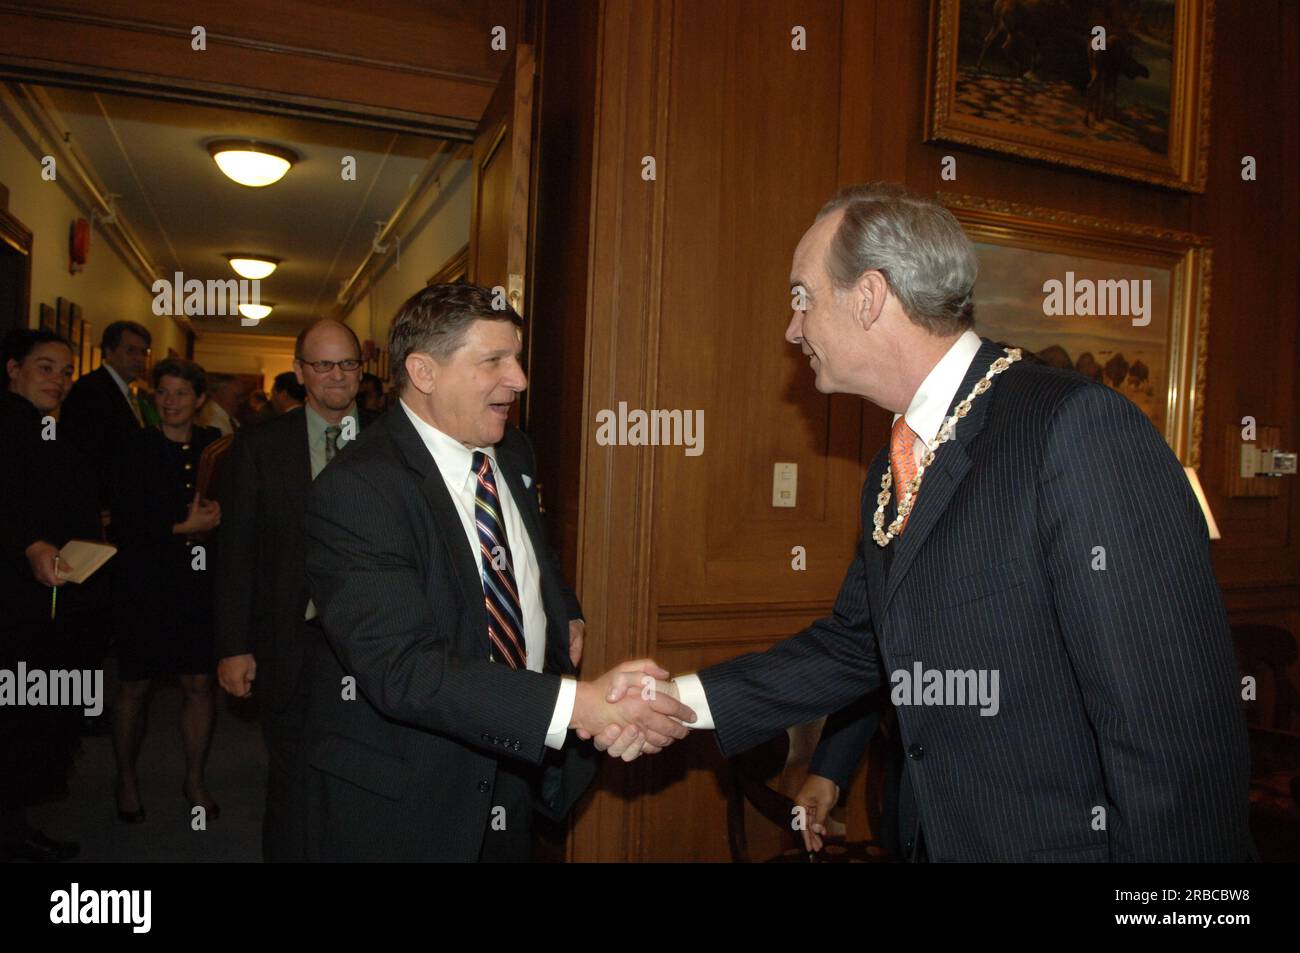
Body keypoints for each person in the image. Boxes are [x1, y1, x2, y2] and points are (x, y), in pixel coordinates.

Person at [594, 183, 1254, 863]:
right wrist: (675, 698)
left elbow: (1176, 737)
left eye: (801, 297)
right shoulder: (894, 463)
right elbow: (858, 646)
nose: (792, 328)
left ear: (869, 296)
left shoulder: (1074, 429)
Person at [301, 283, 696, 861]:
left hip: (516, 762)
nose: (519, 379)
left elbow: (530, 552)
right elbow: (404, 670)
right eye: (493, 361)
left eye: (516, 357)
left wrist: (565, 610)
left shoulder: (513, 452)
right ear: (424, 372)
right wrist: (576, 705)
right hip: (414, 794)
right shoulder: (357, 490)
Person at [214, 320, 377, 861]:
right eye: (324, 365)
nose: (337, 376)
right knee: (293, 781)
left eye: (348, 364)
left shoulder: (394, 440)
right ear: (301, 370)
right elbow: (236, 553)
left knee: (367, 779)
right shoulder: (260, 446)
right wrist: (233, 646)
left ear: (362, 368)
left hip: (377, 644)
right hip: (292, 641)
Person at [0, 329, 108, 862]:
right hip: (12, 601)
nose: (59, 380)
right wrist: (31, 543)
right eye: (45, 368)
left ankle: (13, 824)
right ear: (13, 369)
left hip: (43, 600)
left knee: (25, 718)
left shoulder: (47, 429)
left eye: (65, 372)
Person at [109, 358, 222, 824]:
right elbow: (121, 521)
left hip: (198, 584)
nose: (171, 401)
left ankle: (194, 779)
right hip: (144, 580)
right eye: (164, 393)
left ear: (199, 400)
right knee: (135, 685)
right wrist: (182, 526)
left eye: (181, 393)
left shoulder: (216, 446)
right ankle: (125, 777)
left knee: (199, 684)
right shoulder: (134, 446)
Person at [58, 320, 150, 508]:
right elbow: (87, 453)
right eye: (131, 350)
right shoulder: (91, 390)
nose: (139, 359)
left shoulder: (126, 392)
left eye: (143, 352)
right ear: (109, 351)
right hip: (98, 502)